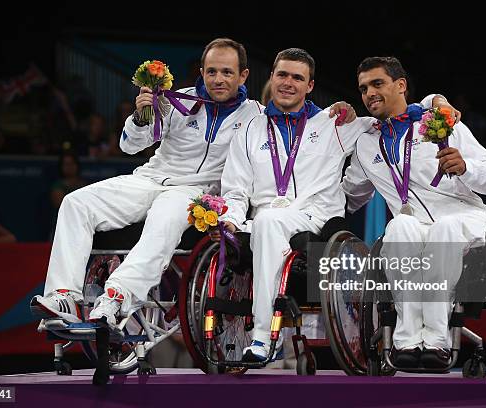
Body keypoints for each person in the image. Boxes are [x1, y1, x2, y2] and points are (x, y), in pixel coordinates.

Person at [29, 38, 354, 326]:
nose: (218, 78)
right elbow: (131, 145)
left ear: (243, 76)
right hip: (151, 178)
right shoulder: (176, 101)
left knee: (165, 217)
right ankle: (63, 296)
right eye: (212, 71)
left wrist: (334, 113)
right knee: (76, 203)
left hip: (198, 192)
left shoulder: (254, 116)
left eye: (227, 72)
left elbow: (294, 119)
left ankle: (118, 297)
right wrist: (143, 115)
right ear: (202, 71)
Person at [214, 49, 457, 362]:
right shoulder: (249, 129)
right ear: (272, 77)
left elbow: (396, 111)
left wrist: (435, 101)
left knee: (268, 222)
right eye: (282, 75)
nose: (288, 83)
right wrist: (232, 219)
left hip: (316, 219)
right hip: (264, 222)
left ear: (310, 85)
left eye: (297, 78)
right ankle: (263, 334)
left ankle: (264, 337)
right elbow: (234, 188)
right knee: (265, 221)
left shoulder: (336, 123)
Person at [341, 56, 486, 368]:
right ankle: (406, 340)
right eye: (363, 88)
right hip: (414, 226)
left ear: (400, 85)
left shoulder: (440, 122)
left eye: (377, 83)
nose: (369, 93)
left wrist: (466, 168)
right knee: (399, 226)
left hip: (464, 218)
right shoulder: (365, 145)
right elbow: (349, 197)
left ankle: (437, 340)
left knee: (444, 229)